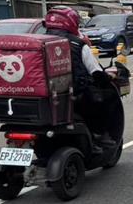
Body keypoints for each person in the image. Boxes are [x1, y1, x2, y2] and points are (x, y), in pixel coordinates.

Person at [43, 8, 114, 147]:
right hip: (73, 94)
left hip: (42, 96)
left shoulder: (39, 42)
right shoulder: (78, 44)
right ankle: (99, 135)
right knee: (106, 99)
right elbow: (95, 72)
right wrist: (107, 78)